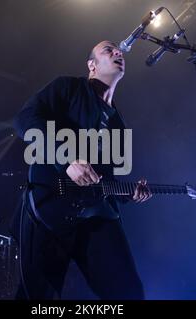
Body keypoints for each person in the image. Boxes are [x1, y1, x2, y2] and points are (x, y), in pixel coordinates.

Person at [13, 40, 152, 300]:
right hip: (50, 207)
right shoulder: (68, 88)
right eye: (108, 50)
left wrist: (129, 193)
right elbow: (24, 120)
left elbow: (107, 181)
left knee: (129, 293)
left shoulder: (118, 124)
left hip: (96, 217)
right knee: (38, 298)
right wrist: (66, 159)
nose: (118, 52)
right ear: (92, 65)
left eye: (117, 50)